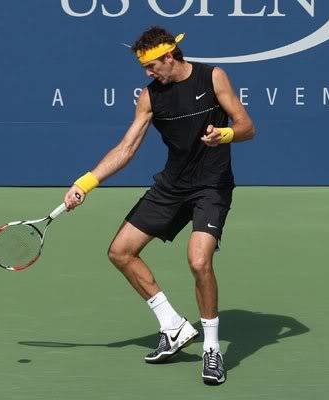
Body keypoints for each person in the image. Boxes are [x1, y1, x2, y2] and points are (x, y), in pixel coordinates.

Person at [63, 26, 255, 385]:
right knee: (121, 251)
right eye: (144, 68)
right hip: (172, 185)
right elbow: (126, 148)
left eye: (152, 66)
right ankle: (172, 325)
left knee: (199, 261)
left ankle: (212, 349)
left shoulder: (212, 77)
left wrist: (225, 134)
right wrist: (85, 183)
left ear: (170, 57)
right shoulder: (150, 97)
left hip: (211, 185)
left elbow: (247, 126)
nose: (148, 74)